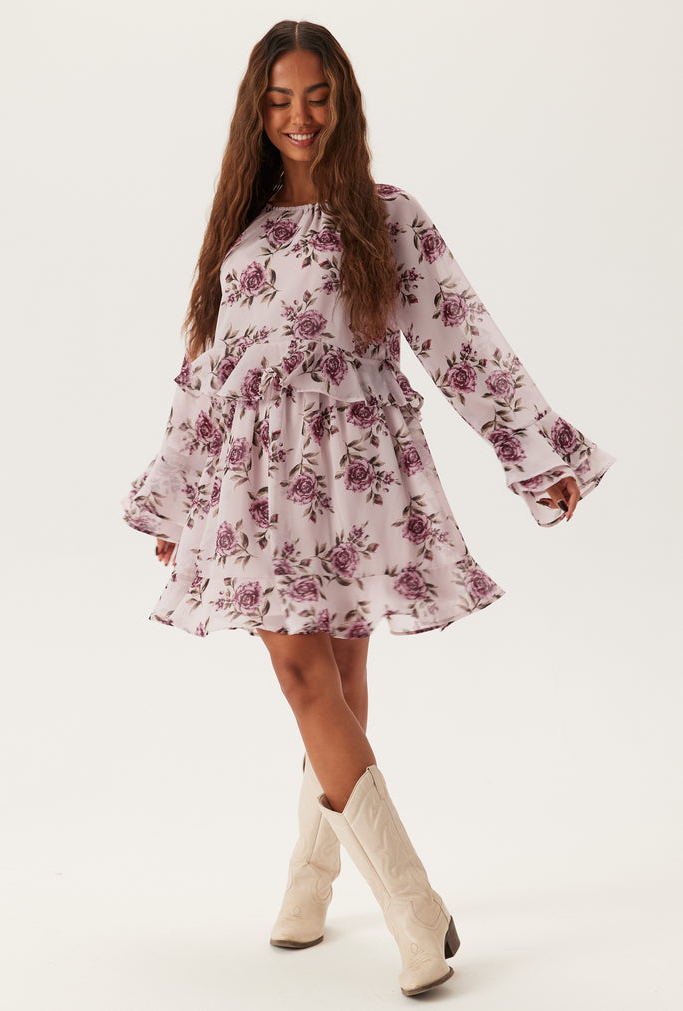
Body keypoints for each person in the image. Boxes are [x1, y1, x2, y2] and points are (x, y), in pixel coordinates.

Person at [120, 20, 615, 998]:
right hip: (256, 492)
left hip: (357, 478)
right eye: (278, 100)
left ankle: (310, 879)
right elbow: (204, 374)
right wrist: (173, 495)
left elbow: (464, 341)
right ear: (257, 113)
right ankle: (416, 908)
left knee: (339, 681)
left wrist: (538, 453)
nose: (298, 117)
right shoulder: (238, 232)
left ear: (341, 101)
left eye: (315, 96)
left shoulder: (387, 218)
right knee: (303, 674)